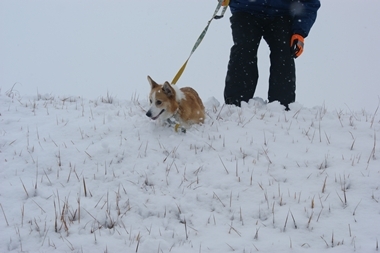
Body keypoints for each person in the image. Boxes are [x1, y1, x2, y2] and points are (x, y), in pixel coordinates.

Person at [223, 0, 321, 110]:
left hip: (281, 14)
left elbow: (310, 2)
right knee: (244, 49)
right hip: (246, 10)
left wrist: (299, 32)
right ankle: (235, 105)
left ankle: (282, 107)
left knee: (284, 53)